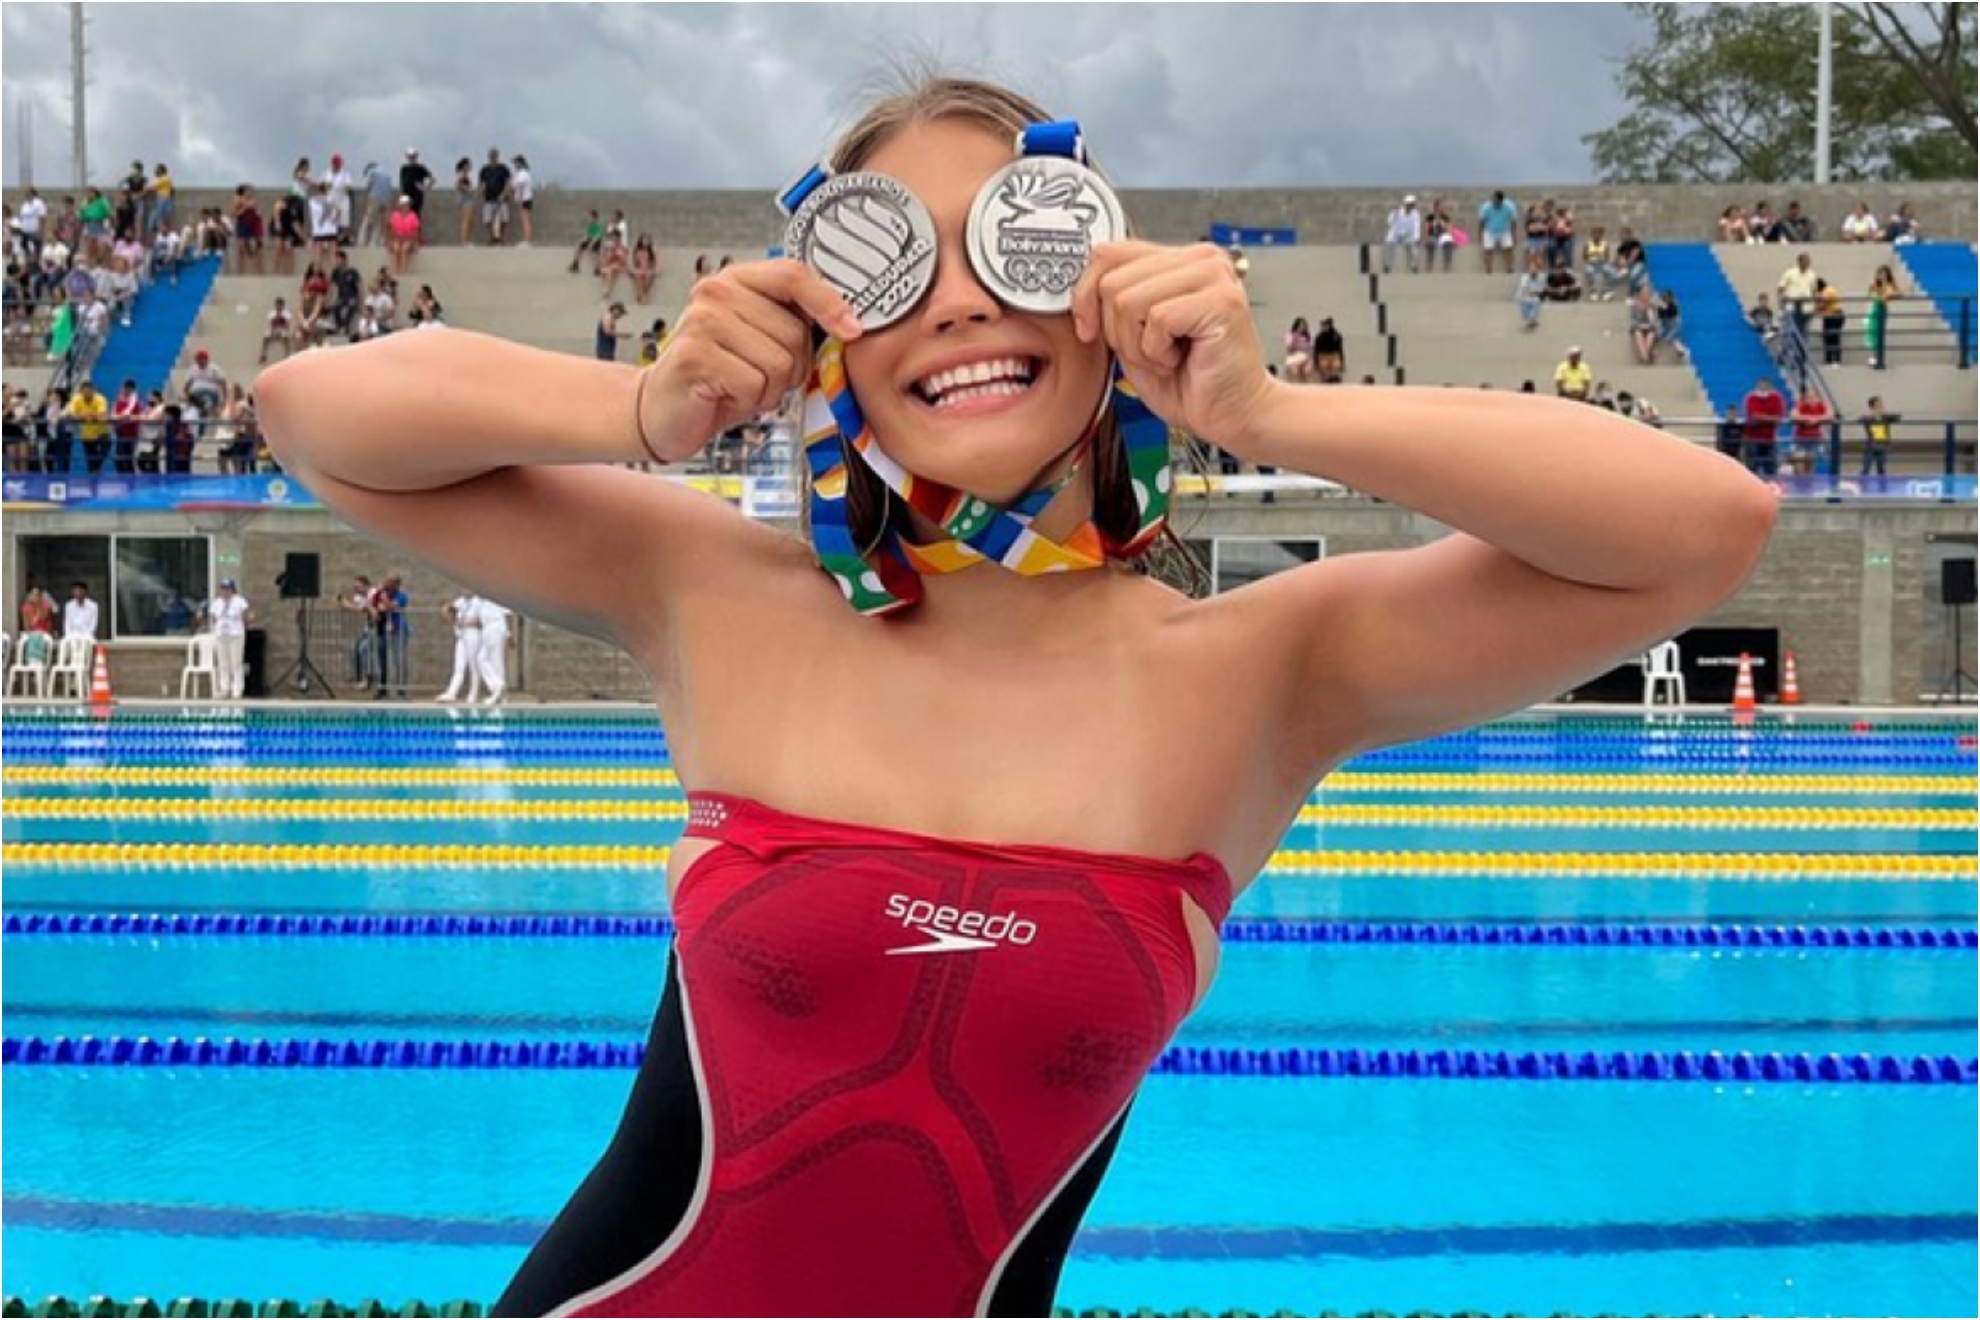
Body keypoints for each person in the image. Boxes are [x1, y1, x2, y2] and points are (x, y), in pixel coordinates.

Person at [255, 76, 1774, 1317]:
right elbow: (311, 414)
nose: (961, 306)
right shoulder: (724, 598)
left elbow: (1705, 527)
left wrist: (1270, 413)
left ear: (1103, 294)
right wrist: (641, 405)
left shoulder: (1253, 673)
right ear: (830, 339)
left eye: (1016, 249)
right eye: (889, 267)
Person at [203, 577, 254, 700]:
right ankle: (224, 688)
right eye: (223, 589)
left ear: (232, 590)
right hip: (221, 636)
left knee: (236, 663)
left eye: (228, 589)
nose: (225, 592)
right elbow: (213, 618)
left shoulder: (239, 601)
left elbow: (246, 616)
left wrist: (243, 627)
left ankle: (237, 689)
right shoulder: (217, 603)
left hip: (235, 635)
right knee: (223, 663)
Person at [435, 591, 484, 703]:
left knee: (473, 666)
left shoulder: (478, 602)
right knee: (459, 666)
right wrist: (446, 610)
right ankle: (451, 693)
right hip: (461, 636)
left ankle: (473, 693)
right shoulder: (460, 601)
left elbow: (482, 621)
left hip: (473, 635)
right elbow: (450, 613)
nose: (464, 592)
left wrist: (467, 622)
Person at [1742, 376, 1786, 476]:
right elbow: (1754, 416)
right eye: (1761, 386)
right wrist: (1771, 418)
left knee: (1771, 469)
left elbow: (1779, 418)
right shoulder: (1751, 398)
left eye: (1766, 386)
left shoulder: (1777, 398)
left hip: (1770, 439)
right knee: (1752, 470)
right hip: (1753, 438)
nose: (1763, 388)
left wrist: (1762, 417)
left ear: (1770, 386)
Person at [1866, 265, 1901, 369]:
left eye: (1883, 273)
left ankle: (1878, 359)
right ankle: (1874, 357)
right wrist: (1873, 289)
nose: (1881, 276)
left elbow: (1898, 294)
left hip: (1882, 309)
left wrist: (1889, 295)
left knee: (1879, 333)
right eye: (1879, 273)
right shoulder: (1876, 284)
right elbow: (1870, 296)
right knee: (1872, 333)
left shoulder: (1889, 284)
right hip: (1874, 309)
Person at [1858, 395, 1897, 477]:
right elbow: (1860, 420)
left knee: (1881, 470)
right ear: (1872, 407)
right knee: (1865, 469)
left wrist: (1882, 415)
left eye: (1881, 404)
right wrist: (1873, 416)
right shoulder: (1867, 418)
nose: (1880, 407)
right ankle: (1862, 484)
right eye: (1878, 405)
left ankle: (1882, 485)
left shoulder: (1886, 418)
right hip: (1870, 447)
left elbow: (1897, 417)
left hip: (1882, 446)